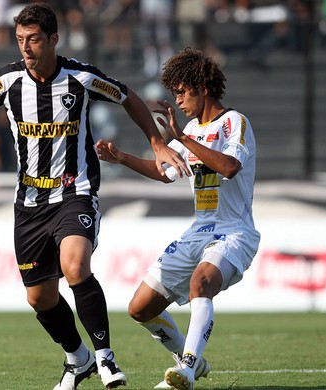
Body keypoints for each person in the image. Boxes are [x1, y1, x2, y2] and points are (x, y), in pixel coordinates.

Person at [0, 3, 188, 389]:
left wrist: (156, 143)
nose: (26, 47)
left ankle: (106, 358)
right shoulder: (7, 81)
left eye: (34, 39)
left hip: (75, 191)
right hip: (28, 203)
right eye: (21, 39)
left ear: (54, 39)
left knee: (75, 267)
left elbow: (129, 98)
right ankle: (78, 358)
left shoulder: (81, 78)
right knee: (39, 299)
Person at [95, 47, 260, 389]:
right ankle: (193, 363)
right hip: (199, 231)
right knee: (140, 308)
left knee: (201, 283)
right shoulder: (191, 130)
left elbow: (230, 167)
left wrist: (182, 137)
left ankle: (186, 366)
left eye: (183, 92)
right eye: (176, 94)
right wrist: (122, 158)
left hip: (233, 233)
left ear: (203, 87)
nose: (179, 100)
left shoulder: (234, 122)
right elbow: (166, 171)